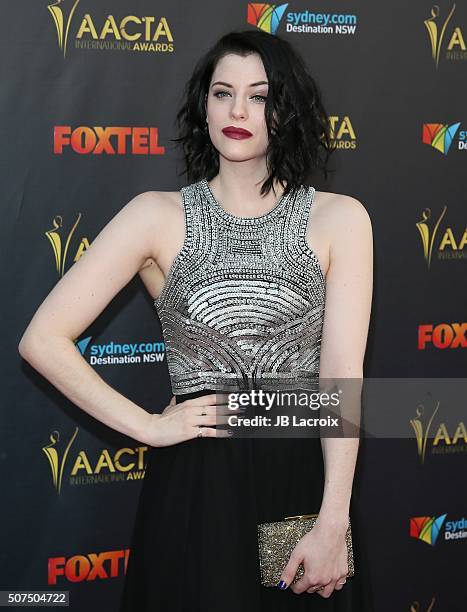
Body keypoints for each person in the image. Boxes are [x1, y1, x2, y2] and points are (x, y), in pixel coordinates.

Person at [18, 29, 374, 611]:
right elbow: (43, 338)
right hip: (197, 485)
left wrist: (334, 520)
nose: (237, 110)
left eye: (260, 96)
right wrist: (148, 427)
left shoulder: (341, 220)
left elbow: (341, 378)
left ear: (287, 109)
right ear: (201, 105)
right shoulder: (156, 216)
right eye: (221, 92)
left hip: (303, 479)